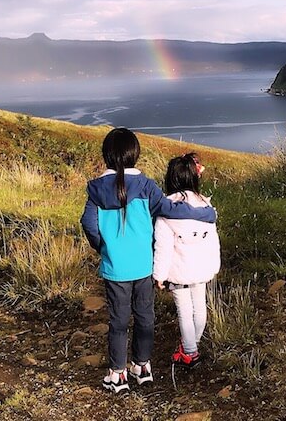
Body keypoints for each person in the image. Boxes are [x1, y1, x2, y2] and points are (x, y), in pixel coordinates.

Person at [80, 128, 217, 394]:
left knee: (119, 322)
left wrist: (103, 247)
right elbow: (169, 209)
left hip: (115, 268)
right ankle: (142, 367)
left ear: (106, 155)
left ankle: (117, 374)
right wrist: (205, 213)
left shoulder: (96, 189)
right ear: (135, 154)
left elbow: (89, 224)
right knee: (145, 318)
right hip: (144, 266)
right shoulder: (146, 186)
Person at [152, 153, 221, 369]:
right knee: (200, 308)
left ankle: (190, 352)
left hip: (178, 271)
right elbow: (213, 242)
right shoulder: (206, 207)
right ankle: (192, 345)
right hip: (201, 269)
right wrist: (214, 266)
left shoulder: (165, 210)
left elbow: (162, 247)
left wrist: (159, 276)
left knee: (184, 310)